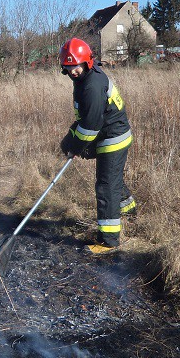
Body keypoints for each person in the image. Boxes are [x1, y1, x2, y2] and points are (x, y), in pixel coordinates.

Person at [58, 38, 136, 254]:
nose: (73, 70)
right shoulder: (87, 77)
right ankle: (130, 213)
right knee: (113, 178)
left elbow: (91, 125)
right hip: (109, 133)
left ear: (86, 62)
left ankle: (108, 241)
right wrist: (70, 138)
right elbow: (86, 119)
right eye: (68, 66)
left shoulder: (91, 85)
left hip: (112, 136)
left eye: (76, 65)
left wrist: (76, 146)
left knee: (106, 186)